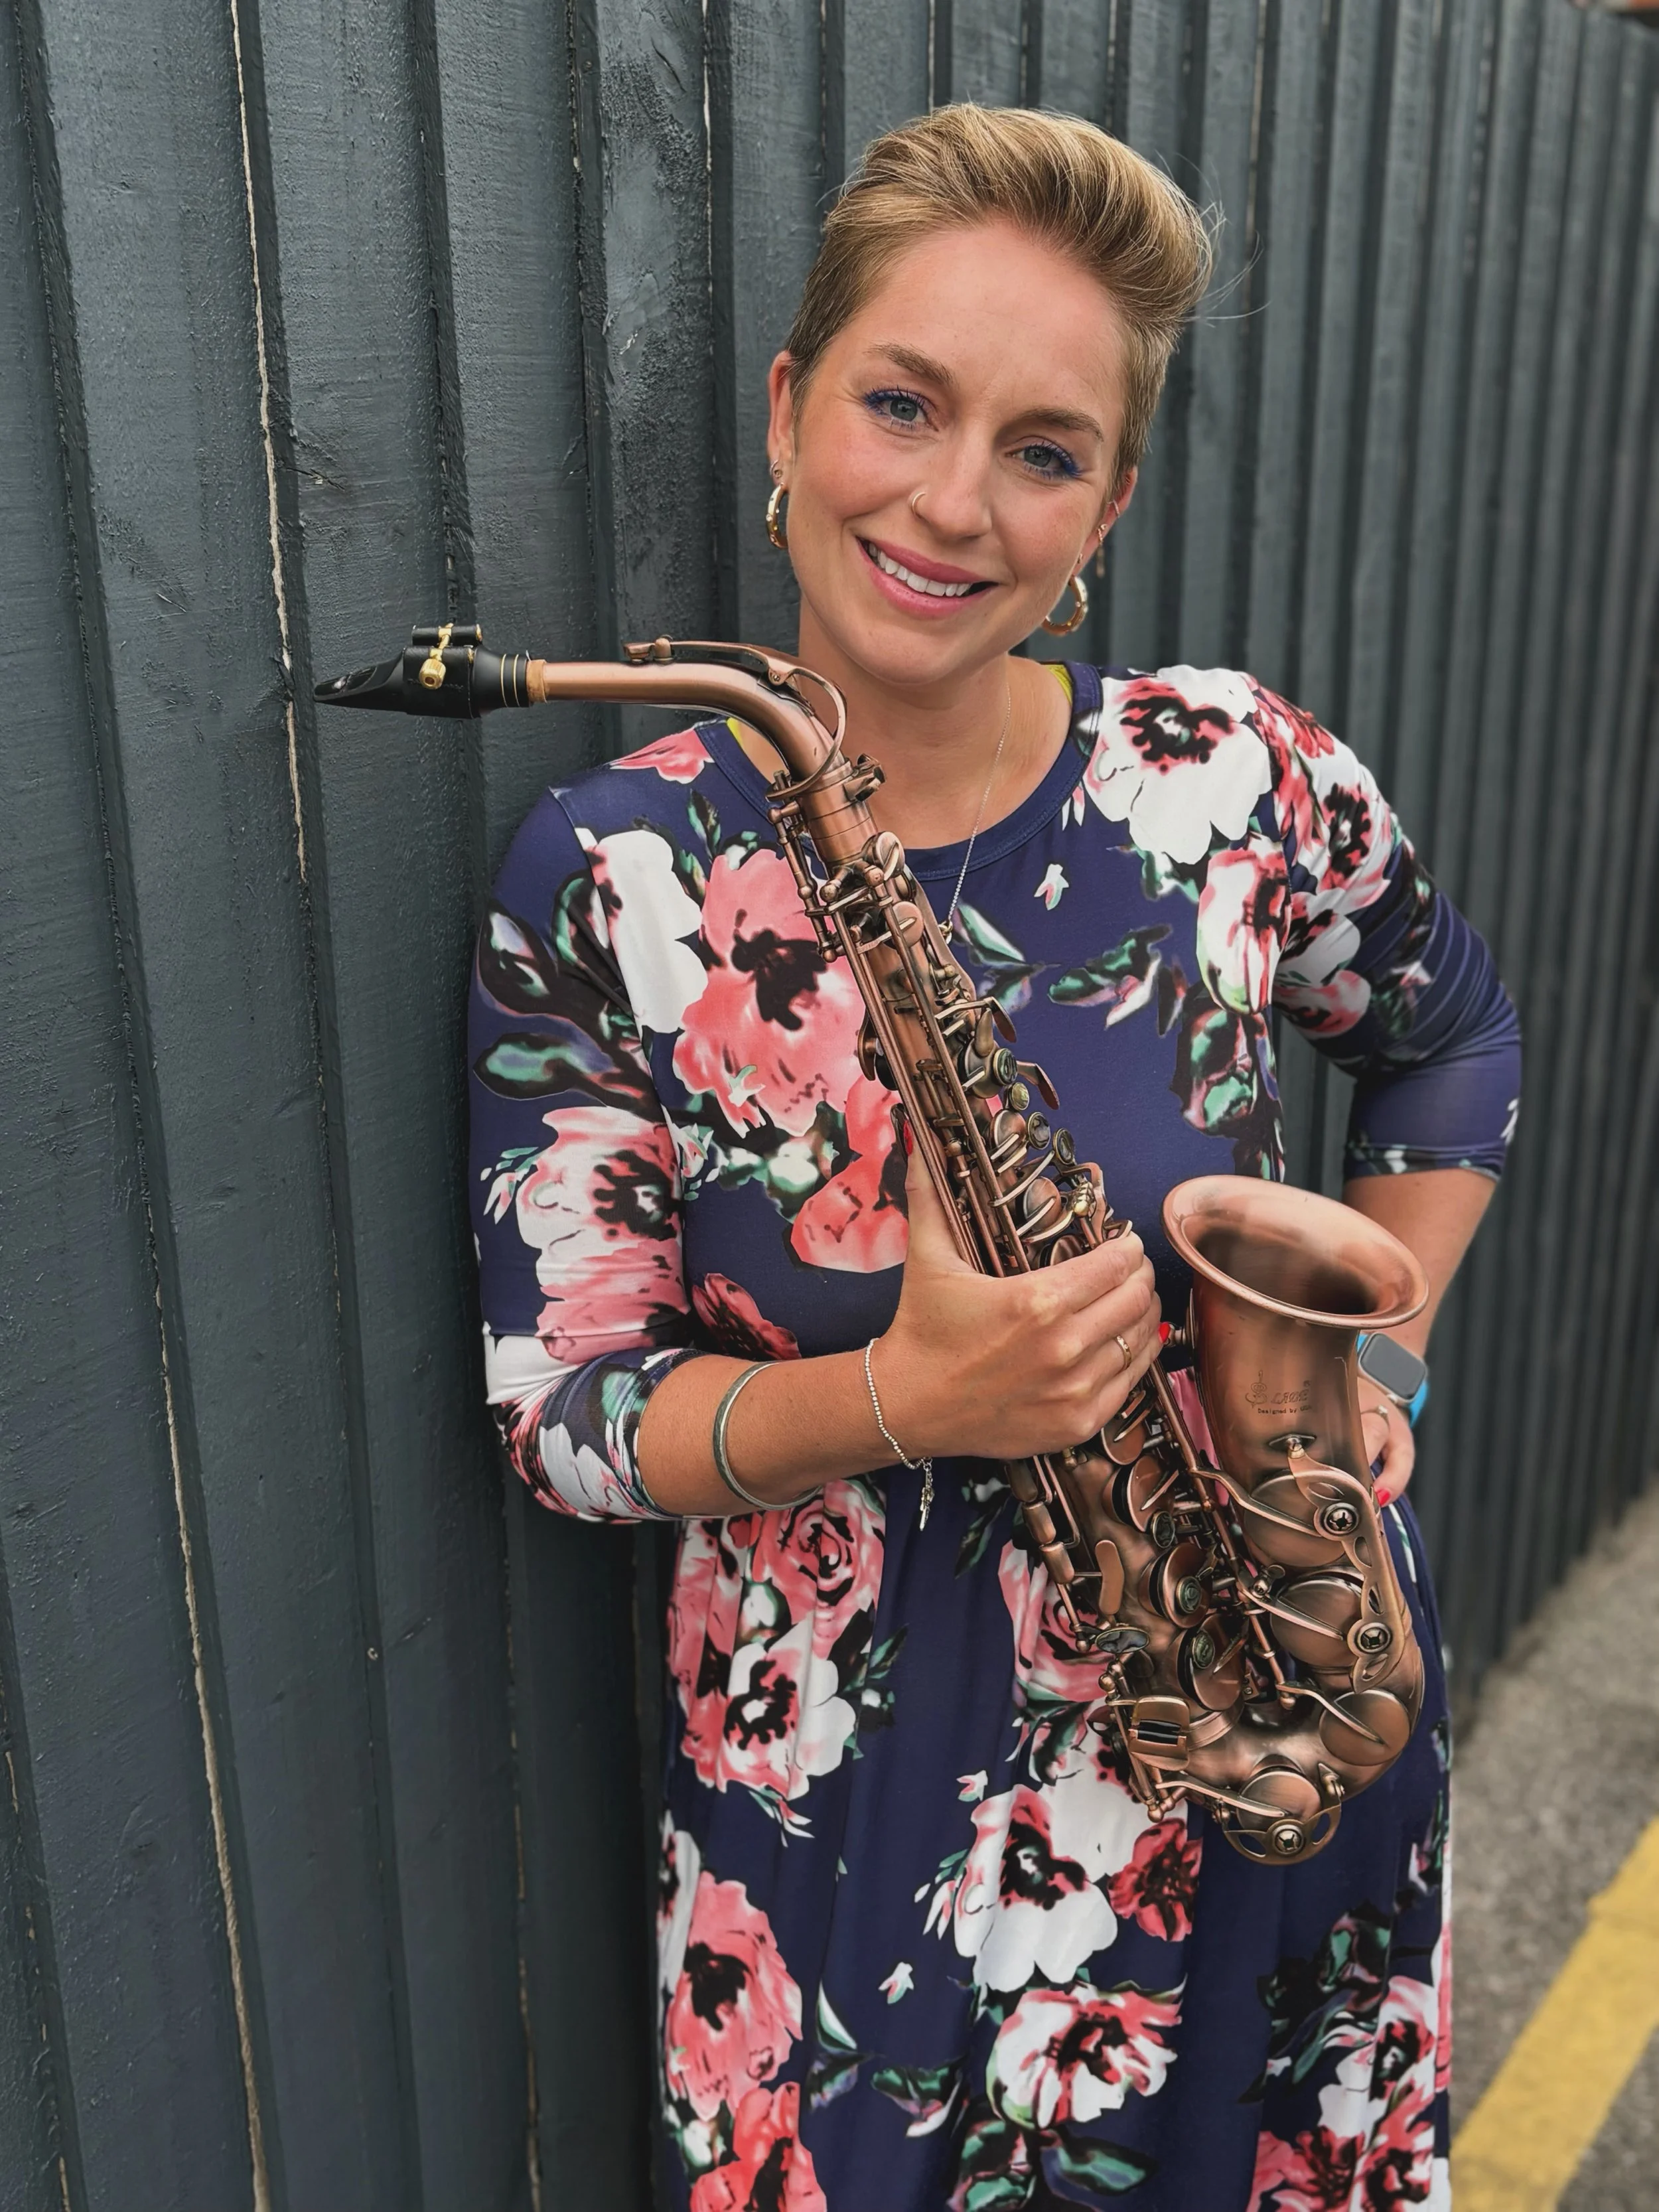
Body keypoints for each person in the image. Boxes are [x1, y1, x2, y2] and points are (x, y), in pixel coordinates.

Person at [469, 106, 1518, 2212]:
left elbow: (1448, 1040)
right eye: (899, 402)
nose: (950, 503)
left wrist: (1372, 1375)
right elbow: (566, 1421)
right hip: (859, 1818)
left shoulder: (1232, 774)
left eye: (1041, 449)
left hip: (1270, 1715)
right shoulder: (611, 872)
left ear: (1107, 500)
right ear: (788, 407)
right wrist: (908, 1397)